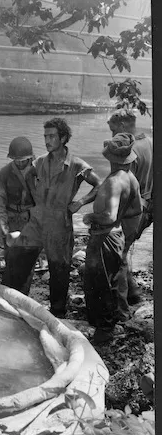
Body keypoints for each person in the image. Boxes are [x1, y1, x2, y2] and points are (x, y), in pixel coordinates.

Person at [3, 117, 102, 317]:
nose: (47, 140)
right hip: (37, 219)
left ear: (63, 137)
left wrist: (80, 203)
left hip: (59, 223)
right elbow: (25, 181)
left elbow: (99, 185)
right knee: (19, 258)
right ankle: (14, 307)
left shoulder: (76, 165)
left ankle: (58, 313)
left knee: (59, 269)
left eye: (52, 136)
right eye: (45, 136)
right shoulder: (39, 162)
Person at [83, 133, 142, 345]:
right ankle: (114, 322)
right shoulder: (130, 178)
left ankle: (104, 330)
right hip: (117, 235)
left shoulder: (114, 182)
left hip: (104, 237)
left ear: (110, 157)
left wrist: (90, 217)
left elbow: (109, 215)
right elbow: (137, 208)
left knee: (98, 283)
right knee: (113, 280)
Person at [107, 108, 153, 305]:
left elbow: (125, 188)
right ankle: (133, 294)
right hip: (150, 206)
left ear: (123, 126)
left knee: (119, 255)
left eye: (113, 130)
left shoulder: (129, 152)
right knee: (125, 252)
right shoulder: (150, 141)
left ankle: (123, 304)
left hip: (135, 209)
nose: (111, 135)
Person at [0, 136, 38, 289]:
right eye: (16, 160)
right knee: (11, 258)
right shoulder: (5, 173)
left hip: (30, 220)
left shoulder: (39, 171)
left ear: (30, 157)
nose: (19, 163)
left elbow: (43, 200)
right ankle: (9, 293)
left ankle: (23, 295)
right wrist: (2, 224)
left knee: (28, 260)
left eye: (23, 160)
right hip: (11, 219)